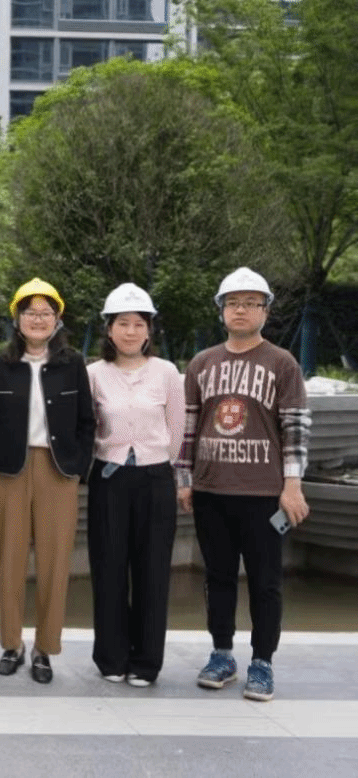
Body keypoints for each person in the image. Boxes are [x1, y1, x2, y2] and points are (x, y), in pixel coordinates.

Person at [177, 267, 310, 702]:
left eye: (251, 303)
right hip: (212, 490)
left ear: (265, 312)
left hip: (264, 493)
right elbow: (189, 427)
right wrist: (185, 479)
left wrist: (293, 485)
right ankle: (221, 655)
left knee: (265, 581)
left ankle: (262, 662)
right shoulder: (202, 363)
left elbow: (295, 429)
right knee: (217, 577)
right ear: (221, 310)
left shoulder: (282, 363)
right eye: (233, 302)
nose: (241, 310)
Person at [0, 278, 94, 684]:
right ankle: (12, 644)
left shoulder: (72, 363)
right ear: (17, 319)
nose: (38, 319)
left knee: (55, 564)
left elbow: (87, 421)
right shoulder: (1, 365)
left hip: (57, 472)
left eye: (46, 313)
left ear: (57, 320)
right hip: (8, 471)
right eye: (30, 312)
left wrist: (77, 469)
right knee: (7, 561)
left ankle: (45, 648)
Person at [86, 283, 184, 687]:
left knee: (153, 570)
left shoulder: (167, 373)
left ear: (149, 330)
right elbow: (87, 427)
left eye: (138, 324)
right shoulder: (94, 374)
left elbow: (177, 430)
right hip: (108, 477)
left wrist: (156, 464)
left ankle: (146, 661)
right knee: (108, 567)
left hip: (155, 478)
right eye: (122, 323)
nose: (130, 331)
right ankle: (111, 657)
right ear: (109, 329)